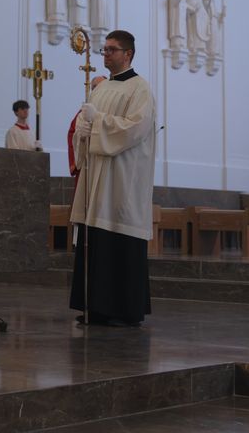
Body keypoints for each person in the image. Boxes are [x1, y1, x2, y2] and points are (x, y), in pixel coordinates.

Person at [68, 30, 156, 326]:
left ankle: (122, 310)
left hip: (121, 179)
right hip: (96, 180)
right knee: (96, 241)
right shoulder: (101, 89)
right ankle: (97, 306)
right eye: (104, 49)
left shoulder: (139, 89)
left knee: (117, 240)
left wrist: (98, 122)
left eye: (111, 50)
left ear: (127, 53)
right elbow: (87, 125)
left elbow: (135, 129)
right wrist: (82, 131)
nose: (105, 54)